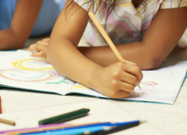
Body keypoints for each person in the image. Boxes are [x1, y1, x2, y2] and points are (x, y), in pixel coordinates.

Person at [29, 0, 187, 98]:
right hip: (98, 45)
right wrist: (97, 77)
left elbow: (150, 55)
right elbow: (58, 46)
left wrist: (71, 52)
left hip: (168, 49)